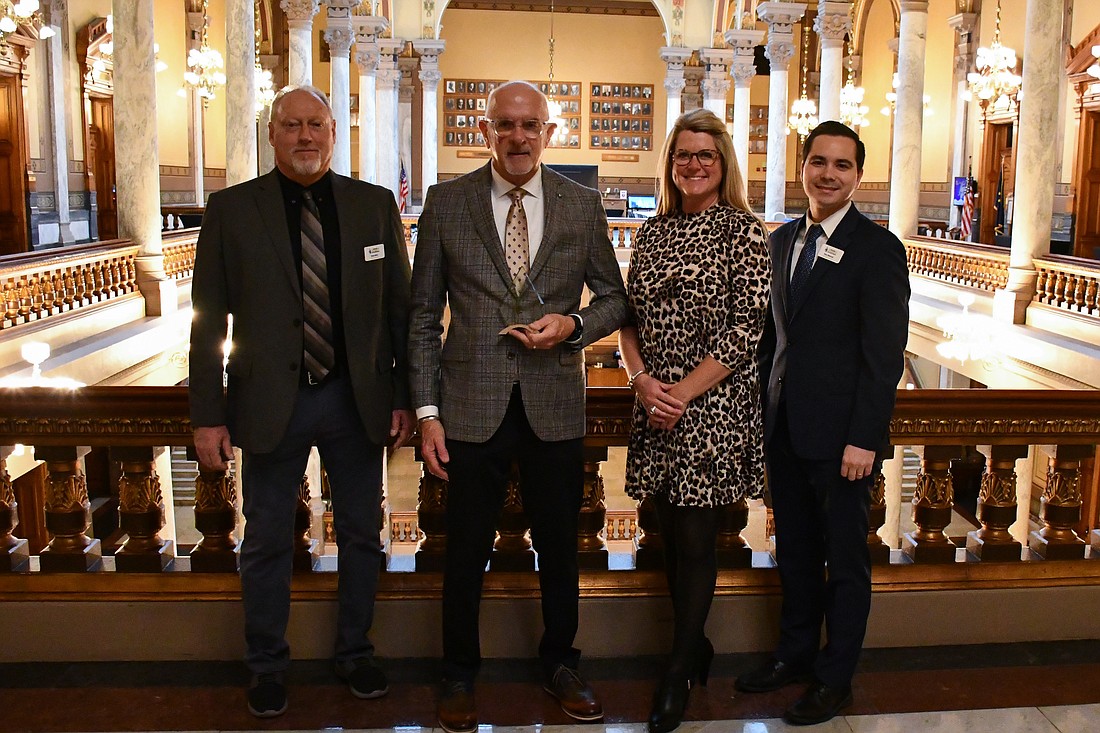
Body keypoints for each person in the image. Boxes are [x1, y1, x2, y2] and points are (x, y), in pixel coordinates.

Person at [408, 80, 628, 733]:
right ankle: (457, 673)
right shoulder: (447, 205)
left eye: (530, 125)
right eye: (506, 124)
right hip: (467, 408)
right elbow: (421, 317)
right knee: (463, 549)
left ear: (548, 133)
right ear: (486, 130)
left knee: (560, 548)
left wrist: (574, 326)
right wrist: (425, 411)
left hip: (553, 405)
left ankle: (561, 663)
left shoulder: (581, 206)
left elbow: (614, 299)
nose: (519, 136)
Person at [188, 85, 414, 719]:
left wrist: (403, 397)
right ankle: (265, 664)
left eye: (316, 125)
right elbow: (208, 321)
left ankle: (355, 652)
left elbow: (399, 311)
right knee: (263, 539)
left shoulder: (372, 207)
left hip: (354, 400)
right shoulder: (232, 210)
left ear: (334, 133)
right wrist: (207, 413)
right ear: (273, 134)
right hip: (268, 403)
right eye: (292, 125)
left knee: (364, 535)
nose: (305, 136)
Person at [736, 120, 910, 725]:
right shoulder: (781, 241)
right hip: (785, 431)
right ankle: (795, 656)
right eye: (818, 162)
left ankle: (836, 678)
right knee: (798, 555)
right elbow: (771, 341)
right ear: (802, 168)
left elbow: (883, 356)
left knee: (845, 562)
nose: (828, 174)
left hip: (843, 443)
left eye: (841, 165)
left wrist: (865, 436)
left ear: (857, 176)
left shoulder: (877, 248)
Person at [618, 109, 771, 733]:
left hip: (711, 405)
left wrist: (681, 391)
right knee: (666, 534)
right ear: (671, 163)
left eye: (705, 154)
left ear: (723, 162)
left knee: (696, 541)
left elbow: (747, 328)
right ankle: (695, 646)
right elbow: (628, 316)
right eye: (683, 154)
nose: (694, 164)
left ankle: (677, 671)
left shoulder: (744, 231)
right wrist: (641, 380)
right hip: (656, 404)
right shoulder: (652, 232)